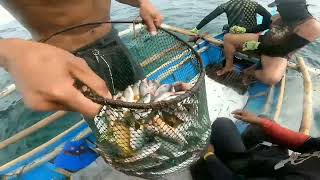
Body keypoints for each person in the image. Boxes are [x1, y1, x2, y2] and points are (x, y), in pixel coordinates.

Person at [0, 0, 163, 118]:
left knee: (148, 103)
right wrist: (10, 51)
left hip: (113, 42)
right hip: (69, 58)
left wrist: (142, 2)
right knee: (106, 120)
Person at [190, 110, 320, 180]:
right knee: (264, 119)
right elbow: (303, 142)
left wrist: (209, 157)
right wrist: (261, 122)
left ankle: (217, 161)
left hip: (246, 173)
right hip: (275, 163)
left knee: (222, 124)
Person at [219, 0, 320, 85]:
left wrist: (256, 46)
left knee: (271, 78)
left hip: (279, 52)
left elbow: (282, 49)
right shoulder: (278, 16)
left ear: (291, 8)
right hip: (263, 41)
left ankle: (250, 71)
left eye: (279, 7)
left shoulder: (312, 26)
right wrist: (244, 30)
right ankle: (229, 66)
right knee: (228, 38)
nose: (277, 9)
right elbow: (263, 27)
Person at [190, 0, 271, 34]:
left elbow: (209, 17)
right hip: (252, 32)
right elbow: (268, 16)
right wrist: (261, 27)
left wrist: (196, 28)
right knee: (226, 26)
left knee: (225, 26)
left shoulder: (226, 5)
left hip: (235, 33)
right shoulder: (254, 4)